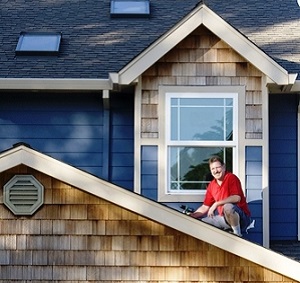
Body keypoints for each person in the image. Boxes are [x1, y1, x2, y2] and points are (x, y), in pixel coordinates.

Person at [190, 156, 251, 237]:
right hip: (224, 219)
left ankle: (237, 234)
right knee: (200, 223)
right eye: (213, 169)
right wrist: (192, 216)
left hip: (241, 219)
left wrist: (216, 204)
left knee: (228, 207)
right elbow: (205, 207)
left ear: (224, 167)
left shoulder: (231, 177)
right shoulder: (211, 185)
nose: (216, 171)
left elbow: (237, 198)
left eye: (218, 167)